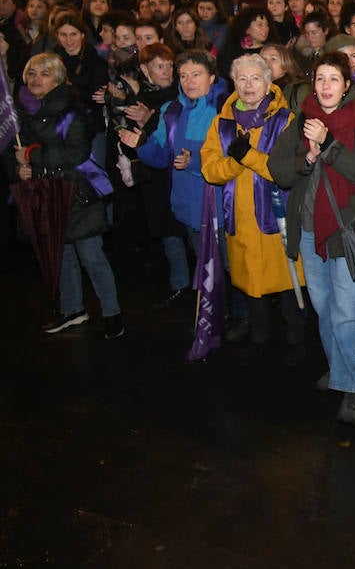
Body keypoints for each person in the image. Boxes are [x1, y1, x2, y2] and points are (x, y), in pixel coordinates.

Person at [267, 52, 355, 425]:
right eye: (320, 79)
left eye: (334, 79)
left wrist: (328, 142)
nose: (325, 86)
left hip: (347, 229)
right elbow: (277, 168)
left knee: (347, 309)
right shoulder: (303, 118)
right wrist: (306, 159)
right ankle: (338, 368)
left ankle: (353, 385)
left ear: (347, 85)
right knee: (322, 305)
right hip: (309, 230)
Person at [5, 53, 123, 337]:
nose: (36, 79)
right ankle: (72, 309)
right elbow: (11, 151)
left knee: (91, 256)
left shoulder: (72, 110)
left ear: (58, 80)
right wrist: (18, 170)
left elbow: (77, 152)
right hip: (42, 194)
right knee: (61, 255)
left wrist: (33, 156)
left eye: (44, 74)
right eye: (32, 73)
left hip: (75, 193)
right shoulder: (17, 112)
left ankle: (112, 313)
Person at [200, 54, 304, 366]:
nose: (248, 85)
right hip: (241, 219)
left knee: (287, 284)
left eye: (255, 78)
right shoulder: (222, 122)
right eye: (242, 79)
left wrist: (248, 156)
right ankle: (259, 339)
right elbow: (210, 170)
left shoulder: (285, 120)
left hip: (277, 218)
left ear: (268, 82)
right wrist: (236, 162)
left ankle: (297, 341)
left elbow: (285, 171)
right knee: (252, 286)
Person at [128, 49, 226, 309]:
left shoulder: (223, 110)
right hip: (188, 205)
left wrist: (193, 162)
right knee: (206, 267)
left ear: (212, 77)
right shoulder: (171, 110)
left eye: (196, 74)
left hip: (221, 206)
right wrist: (142, 144)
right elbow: (160, 158)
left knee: (228, 267)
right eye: (183, 75)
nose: (189, 81)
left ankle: (238, 316)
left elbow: (229, 159)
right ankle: (214, 316)